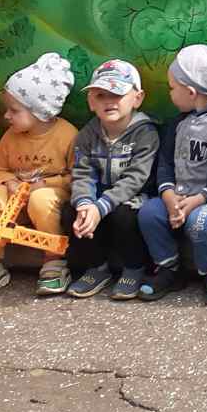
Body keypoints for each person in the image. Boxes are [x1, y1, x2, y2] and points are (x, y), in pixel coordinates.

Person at [0, 53, 78, 297]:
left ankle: (54, 261)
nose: (7, 116)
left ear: (39, 111)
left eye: (14, 110)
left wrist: (45, 184)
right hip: (16, 197)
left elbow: (77, 176)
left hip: (49, 196)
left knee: (41, 199)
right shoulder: (11, 136)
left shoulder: (67, 135)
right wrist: (8, 181)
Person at [137, 45, 207, 303]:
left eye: (172, 88)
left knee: (199, 223)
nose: (169, 93)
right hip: (177, 195)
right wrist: (169, 196)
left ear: (191, 92)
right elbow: (165, 163)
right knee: (149, 213)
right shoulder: (177, 123)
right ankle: (168, 268)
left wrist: (196, 200)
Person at [65, 59, 160, 301]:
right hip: (100, 195)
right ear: (91, 102)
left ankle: (134, 268)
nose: (109, 101)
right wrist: (85, 203)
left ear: (137, 98)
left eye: (117, 94)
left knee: (125, 215)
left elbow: (136, 178)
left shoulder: (146, 132)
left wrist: (102, 206)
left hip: (135, 195)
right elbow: (82, 172)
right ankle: (97, 267)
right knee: (73, 212)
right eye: (100, 95)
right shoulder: (87, 134)